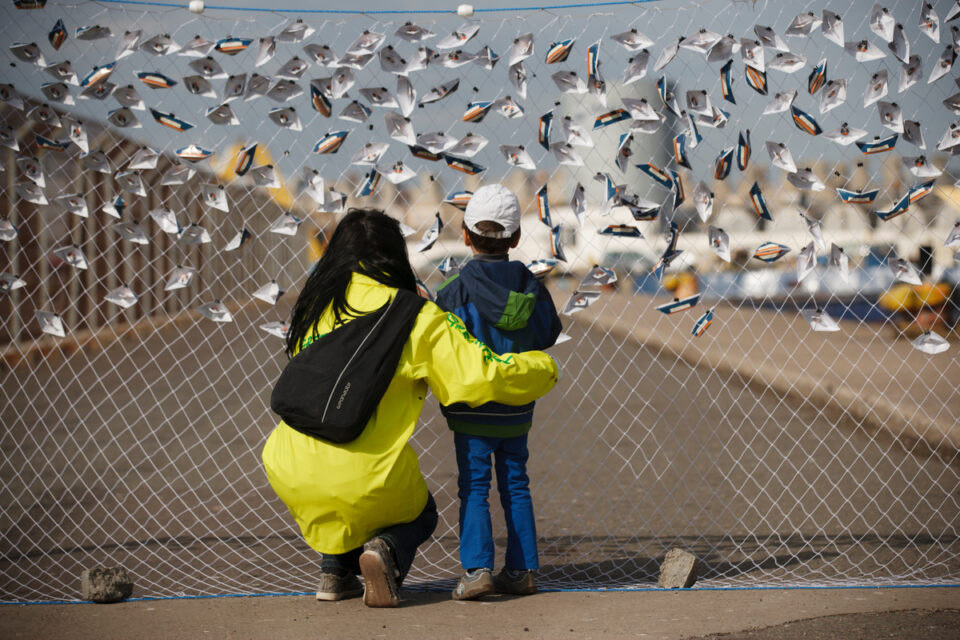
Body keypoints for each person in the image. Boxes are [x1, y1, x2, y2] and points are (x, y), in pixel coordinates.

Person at [261, 208, 559, 608]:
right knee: (419, 511)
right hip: (368, 477)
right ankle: (386, 551)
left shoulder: (316, 307)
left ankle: (333, 573)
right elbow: (478, 376)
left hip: (287, 466)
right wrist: (542, 367)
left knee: (335, 483)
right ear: (395, 257)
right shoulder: (416, 317)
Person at [434, 185, 563, 600]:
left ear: (466, 235)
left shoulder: (454, 289)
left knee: (474, 486)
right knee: (516, 482)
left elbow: (437, 343)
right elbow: (549, 332)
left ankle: (477, 570)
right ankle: (522, 570)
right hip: (516, 406)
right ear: (516, 239)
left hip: (471, 407)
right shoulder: (532, 287)